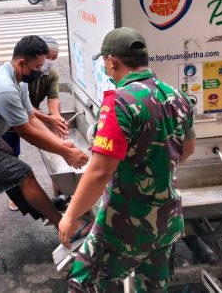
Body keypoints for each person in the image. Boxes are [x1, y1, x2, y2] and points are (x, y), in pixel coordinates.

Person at [58, 27, 195, 292]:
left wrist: (70, 216)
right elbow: (187, 148)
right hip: (167, 219)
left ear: (112, 62)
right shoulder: (177, 96)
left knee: (81, 284)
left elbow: (99, 172)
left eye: (106, 62)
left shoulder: (119, 102)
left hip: (125, 224)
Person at [0, 35, 90, 278]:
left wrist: (61, 144)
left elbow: (32, 119)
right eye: (36, 67)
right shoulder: (4, 87)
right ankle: (65, 227)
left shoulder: (19, 81)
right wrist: (66, 152)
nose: (40, 71)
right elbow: (26, 132)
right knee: (24, 174)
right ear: (22, 63)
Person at [2, 35, 68, 211]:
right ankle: (19, 198)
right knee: (12, 162)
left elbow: (52, 99)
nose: (50, 62)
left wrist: (56, 118)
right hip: (9, 123)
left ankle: (59, 191)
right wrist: (48, 120)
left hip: (31, 117)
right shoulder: (22, 75)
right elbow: (25, 110)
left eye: (54, 58)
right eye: (48, 59)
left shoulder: (50, 74)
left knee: (52, 149)